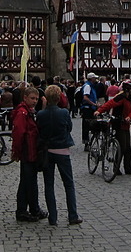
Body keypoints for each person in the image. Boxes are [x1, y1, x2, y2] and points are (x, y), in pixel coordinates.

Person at [36, 85, 83, 226]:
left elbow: (40, 130)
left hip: (47, 151)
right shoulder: (64, 113)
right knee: (68, 184)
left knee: (49, 184)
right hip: (62, 151)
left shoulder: (41, 114)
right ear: (58, 98)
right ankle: (72, 215)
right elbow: (69, 127)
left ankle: (53, 217)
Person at [11, 86, 47, 222]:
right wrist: (16, 151)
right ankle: (27, 210)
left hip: (32, 151)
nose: (35, 101)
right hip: (27, 151)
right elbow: (19, 133)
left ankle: (30, 209)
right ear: (25, 98)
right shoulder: (22, 113)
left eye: (36, 99)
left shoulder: (29, 112)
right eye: (32, 98)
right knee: (28, 182)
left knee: (28, 182)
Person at [94, 81, 131, 175]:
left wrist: (130, 116)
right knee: (122, 146)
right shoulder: (120, 97)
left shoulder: (128, 98)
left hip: (125, 124)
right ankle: (116, 168)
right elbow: (110, 104)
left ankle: (127, 168)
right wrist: (99, 111)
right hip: (118, 124)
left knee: (128, 148)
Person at [80, 73, 99, 146]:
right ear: (91, 78)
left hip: (90, 108)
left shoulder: (90, 86)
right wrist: (94, 104)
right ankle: (87, 143)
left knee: (90, 125)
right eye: (94, 78)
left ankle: (89, 141)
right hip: (88, 109)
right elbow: (85, 97)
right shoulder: (88, 86)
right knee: (87, 126)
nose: (95, 79)